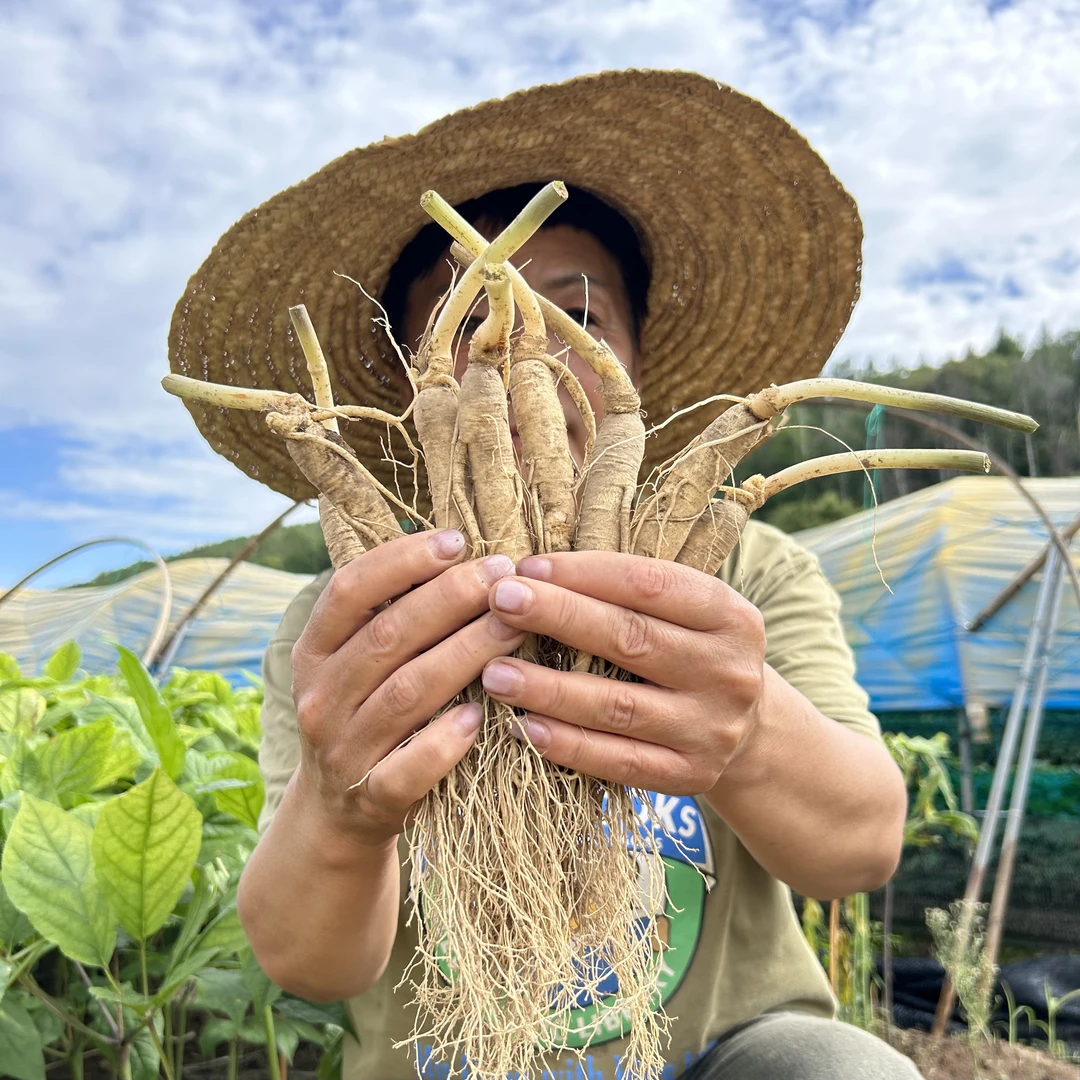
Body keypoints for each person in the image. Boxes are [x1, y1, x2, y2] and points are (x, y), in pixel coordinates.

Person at [168, 70, 920, 1079]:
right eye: (477, 319)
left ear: (640, 364)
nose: (530, 352)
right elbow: (309, 963)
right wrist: (344, 809)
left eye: (580, 322)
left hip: (718, 1053)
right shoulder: (349, 625)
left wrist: (741, 727)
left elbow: (862, 848)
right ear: (412, 384)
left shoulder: (741, 571)